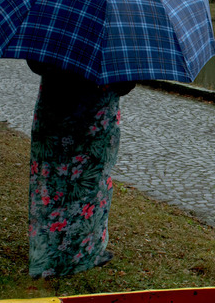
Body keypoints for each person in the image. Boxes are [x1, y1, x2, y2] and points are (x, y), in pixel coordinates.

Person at [26, 61, 134, 278]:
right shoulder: (114, 40)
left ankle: (46, 250)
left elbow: (36, 64)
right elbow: (124, 85)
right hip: (93, 122)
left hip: (55, 111)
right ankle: (84, 252)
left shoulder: (55, 29)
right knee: (88, 187)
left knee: (51, 184)